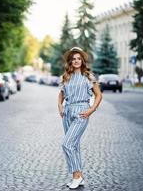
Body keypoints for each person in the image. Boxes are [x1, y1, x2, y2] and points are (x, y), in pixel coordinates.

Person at [58, 47, 102, 189]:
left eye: (78, 58)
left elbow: (98, 95)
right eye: (73, 59)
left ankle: (77, 176)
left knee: (67, 144)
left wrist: (91, 110)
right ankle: (78, 178)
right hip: (67, 112)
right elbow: (61, 93)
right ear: (70, 61)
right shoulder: (66, 76)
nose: (76, 61)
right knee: (74, 146)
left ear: (82, 61)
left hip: (81, 111)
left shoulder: (88, 76)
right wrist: (60, 106)